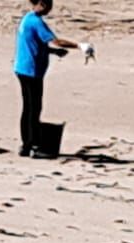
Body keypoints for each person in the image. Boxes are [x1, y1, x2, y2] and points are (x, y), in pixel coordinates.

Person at [14, 0, 81, 159]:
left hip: (23, 68)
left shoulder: (27, 18)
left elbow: (35, 43)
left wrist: (53, 52)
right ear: (42, 4)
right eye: (49, 6)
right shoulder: (36, 22)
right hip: (31, 71)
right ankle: (32, 144)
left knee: (29, 107)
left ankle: (27, 144)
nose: (50, 10)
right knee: (34, 108)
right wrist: (80, 46)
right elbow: (56, 41)